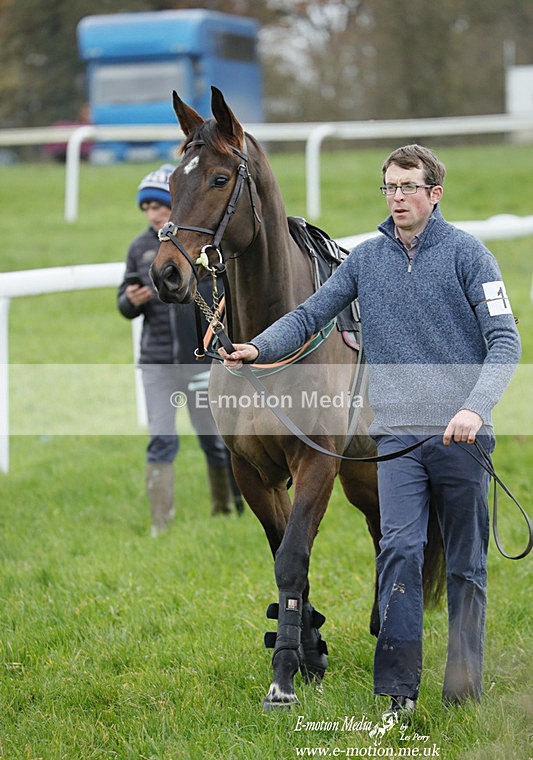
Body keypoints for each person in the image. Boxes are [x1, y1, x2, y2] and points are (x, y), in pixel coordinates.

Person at [219, 145, 521, 719]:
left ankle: (464, 684)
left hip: (462, 439)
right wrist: (259, 348)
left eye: (409, 186)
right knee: (400, 552)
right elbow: (310, 316)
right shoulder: (366, 261)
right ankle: (397, 694)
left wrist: (476, 407)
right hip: (397, 442)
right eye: (390, 187)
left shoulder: (472, 257)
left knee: (464, 566)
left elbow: (506, 342)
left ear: (435, 194)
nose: (398, 197)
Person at [118, 164, 242, 536]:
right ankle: (161, 521)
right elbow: (122, 305)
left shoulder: (202, 248)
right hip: (156, 364)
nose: (153, 214)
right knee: (161, 438)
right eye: (147, 208)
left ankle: (228, 509)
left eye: (159, 206)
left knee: (214, 440)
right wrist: (130, 300)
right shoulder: (140, 248)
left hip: (199, 362)